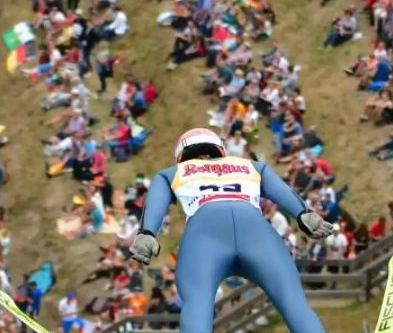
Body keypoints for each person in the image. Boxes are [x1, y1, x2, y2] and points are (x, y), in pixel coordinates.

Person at [130, 128, 331, 333]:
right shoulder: (252, 166)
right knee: (294, 303)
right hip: (257, 232)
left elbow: (155, 202)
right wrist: (303, 213)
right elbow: (282, 191)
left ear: (181, 156)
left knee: (197, 305)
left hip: (205, 233)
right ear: (220, 150)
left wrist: (147, 232)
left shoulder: (171, 173)